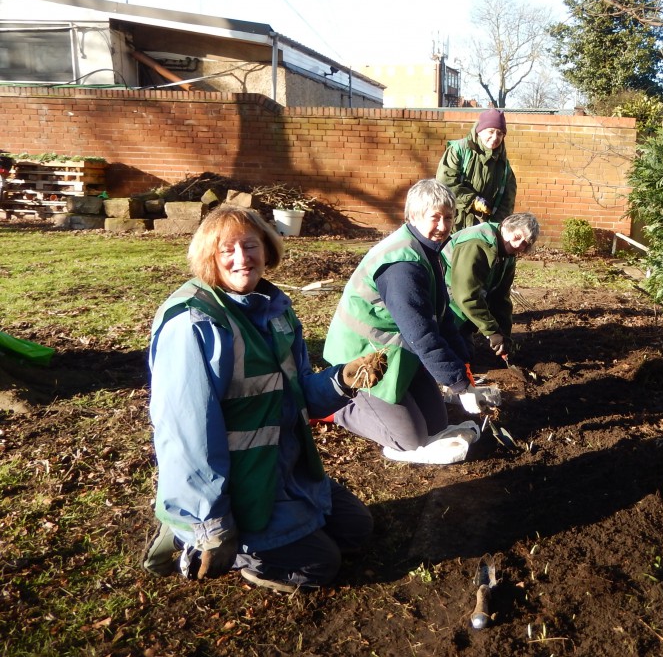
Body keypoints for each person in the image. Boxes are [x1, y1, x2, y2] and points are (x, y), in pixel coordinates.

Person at [143, 205, 387, 594]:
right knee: (321, 566)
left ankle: (271, 532)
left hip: (283, 468)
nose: (242, 258)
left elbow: (298, 394)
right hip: (238, 487)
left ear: (267, 249)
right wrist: (210, 523)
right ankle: (195, 537)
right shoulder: (194, 324)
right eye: (227, 250)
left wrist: (341, 380)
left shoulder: (275, 310)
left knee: (357, 529)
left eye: (250, 245)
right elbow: (186, 437)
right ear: (209, 257)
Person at [322, 179, 482, 465]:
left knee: (436, 425)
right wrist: (456, 382)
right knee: (409, 440)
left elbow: (441, 316)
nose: (443, 226)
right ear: (413, 216)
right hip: (363, 355)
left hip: (396, 349)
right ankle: (338, 408)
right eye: (435, 217)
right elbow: (422, 334)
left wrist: (464, 369)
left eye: (448, 217)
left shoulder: (429, 250)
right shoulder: (402, 265)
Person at [442, 212, 540, 362]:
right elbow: (466, 294)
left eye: (525, 244)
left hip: (462, 302)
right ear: (506, 227)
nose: (518, 245)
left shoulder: (507, 255)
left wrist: (504, 336)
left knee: (467, 355)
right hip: (442, 302)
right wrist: (492, 331)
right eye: (517, 237)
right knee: (457, 358)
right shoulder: (477, 243)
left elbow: (500, 297)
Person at [436, 109, 517, 230]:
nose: (495, 137)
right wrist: (472, 201)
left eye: (500, 133)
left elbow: (507, 201)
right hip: (452, 226)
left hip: (483, 230)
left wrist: (493, 227)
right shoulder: (458, 151)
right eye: (491, 131)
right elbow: (445, 183)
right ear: (480, 131)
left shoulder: (503, 165)